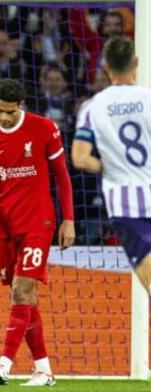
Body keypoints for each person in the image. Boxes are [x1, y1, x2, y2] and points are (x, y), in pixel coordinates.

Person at [0, 78, 75, 387]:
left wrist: (69, 220)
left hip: (39, 223)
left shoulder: (44, 128)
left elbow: (62, 176)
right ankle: (44, 371)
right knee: (25, 296)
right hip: (5, 226)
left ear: (21, 105)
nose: (4, 117)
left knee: (20, 291)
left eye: (10, 111)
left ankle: (4, 364)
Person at [72, 37, 151, 291]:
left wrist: (109, 167)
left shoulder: (92, 107)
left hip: (125, 206)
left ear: (105, 66)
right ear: (135, 63)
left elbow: (80, 158)